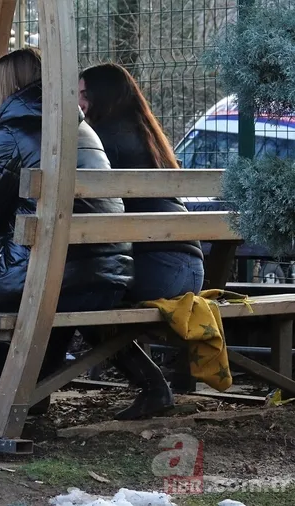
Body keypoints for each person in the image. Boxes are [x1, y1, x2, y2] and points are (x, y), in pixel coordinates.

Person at [0, 47, 134, 422]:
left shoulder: (13, 127)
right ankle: (29, 398)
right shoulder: (79, 127)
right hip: (106, 273)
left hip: (53, 277)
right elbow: (37, 192)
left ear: (8, 86)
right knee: (10, 282)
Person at [78, 62, 205, 418]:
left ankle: (153, 388)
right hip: (187, 267)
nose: (79, 102)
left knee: (80, 299)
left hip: (158, 270)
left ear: (104, 95)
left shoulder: (102, 140)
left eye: (84, 94)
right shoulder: (144, 133)